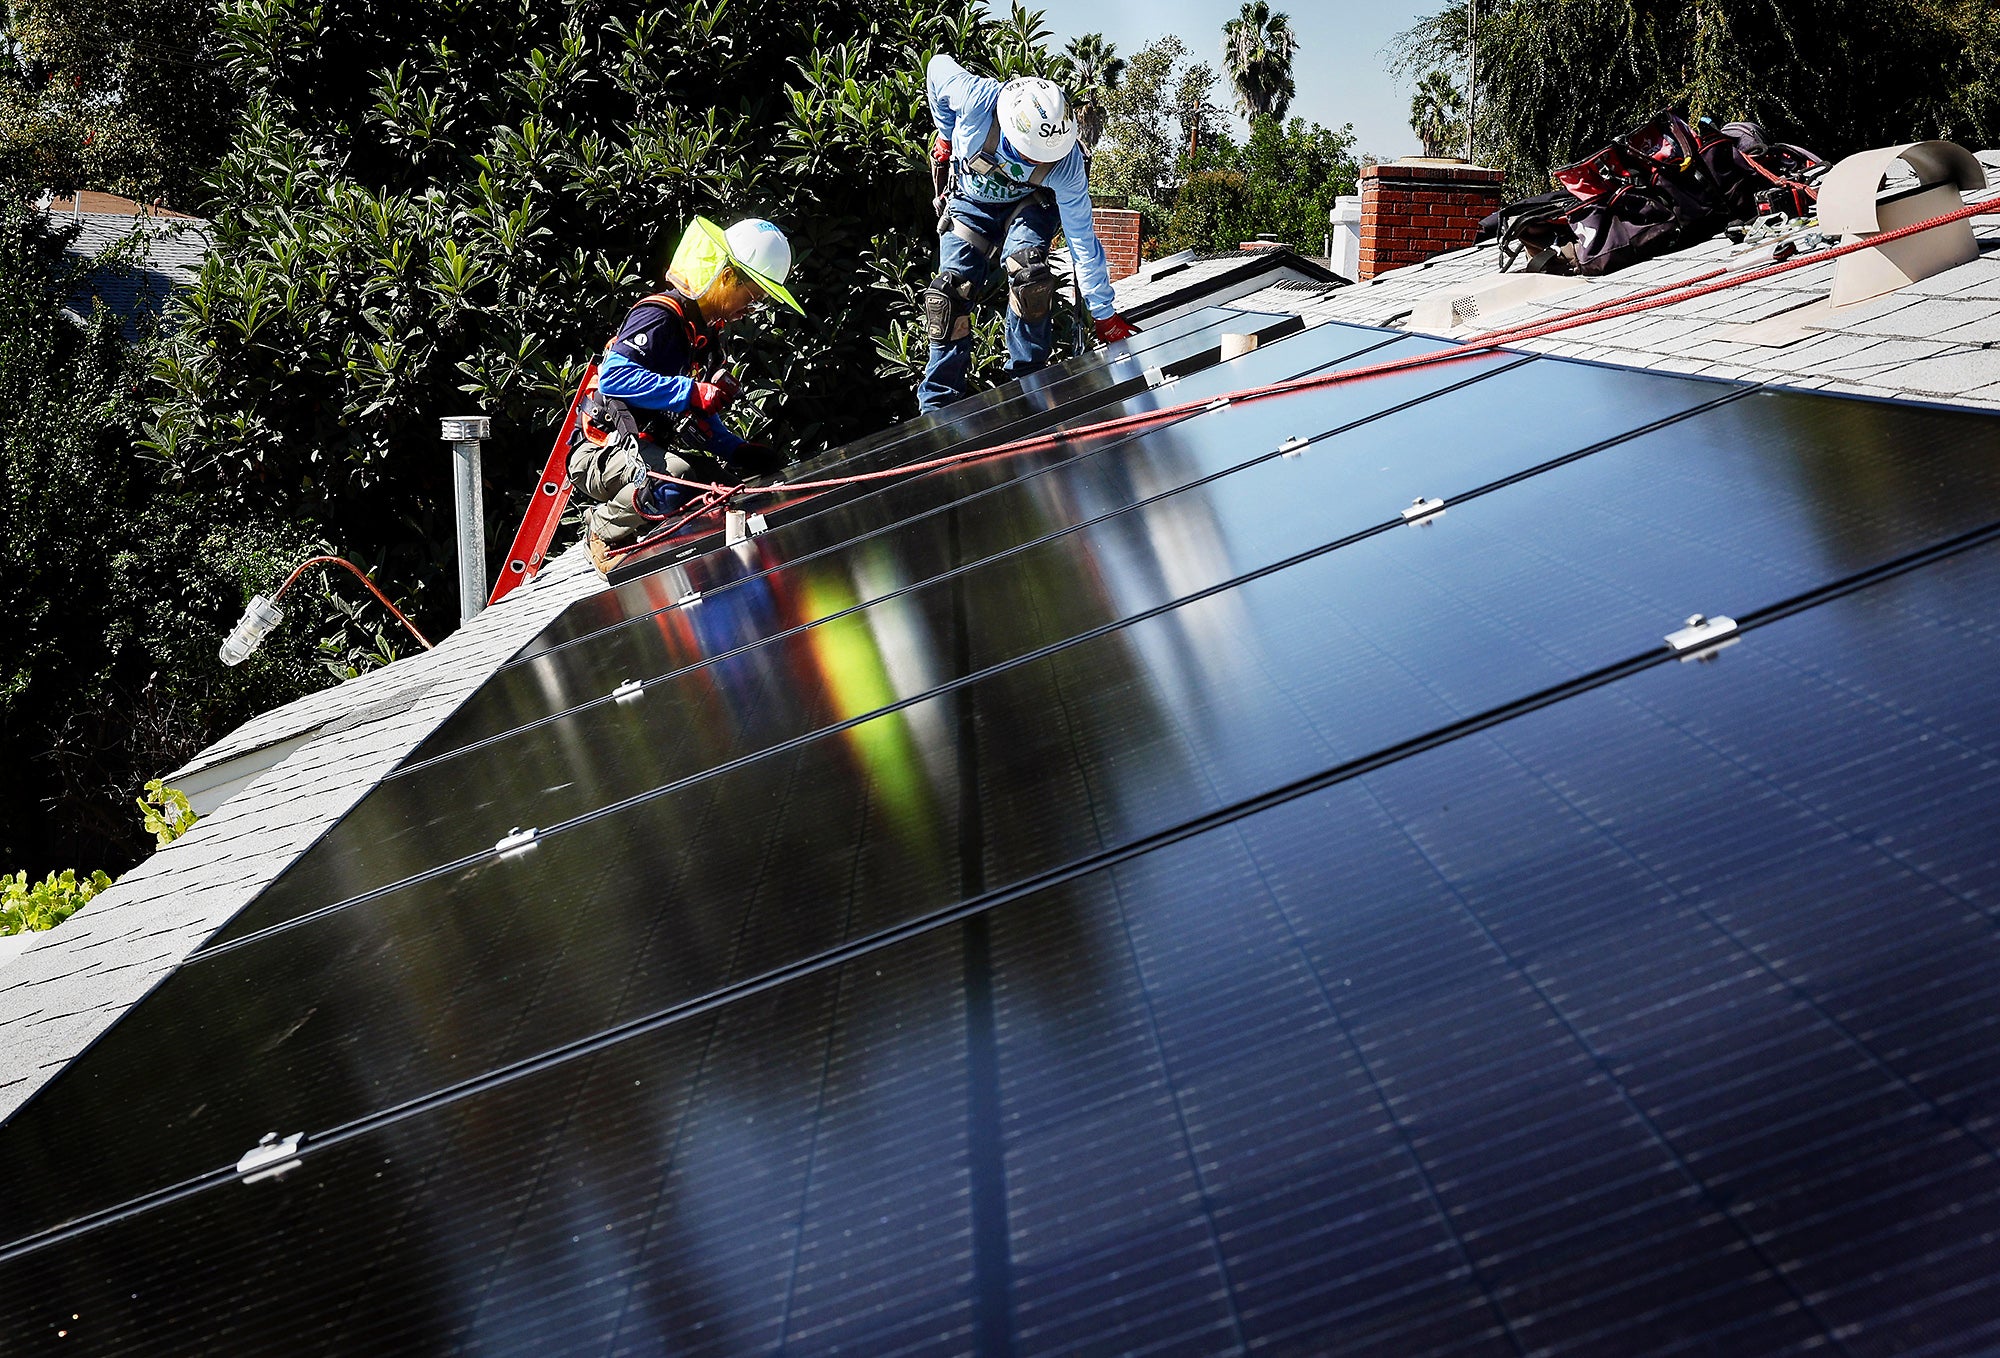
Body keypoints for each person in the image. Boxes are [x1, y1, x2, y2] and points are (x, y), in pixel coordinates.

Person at [570, 215, 803, 573]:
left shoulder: (706, 339)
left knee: (720, 486)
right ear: (727, 278)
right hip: (599, 450)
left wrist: (735, 449)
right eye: (752, 297)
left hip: (647, 450)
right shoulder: (659, 316)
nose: (750, 311)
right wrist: (691, 390)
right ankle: (601, 528)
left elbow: (700, 418)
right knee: (676, 480)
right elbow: (613, 378)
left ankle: (652, 532)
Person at [919, 55, 1141, 412]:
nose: (1037, 162)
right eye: (1030, 154)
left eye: (1044, 157)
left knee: (1030, 279)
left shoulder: (1065, 163)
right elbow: (936, 67)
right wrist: (945, 135)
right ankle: (938, 410)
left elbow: (1082, 238)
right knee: (949, 297)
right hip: (968, 206)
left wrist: (1104, 315)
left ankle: (1030, 389)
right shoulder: (977, 99)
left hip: (1029, 206)